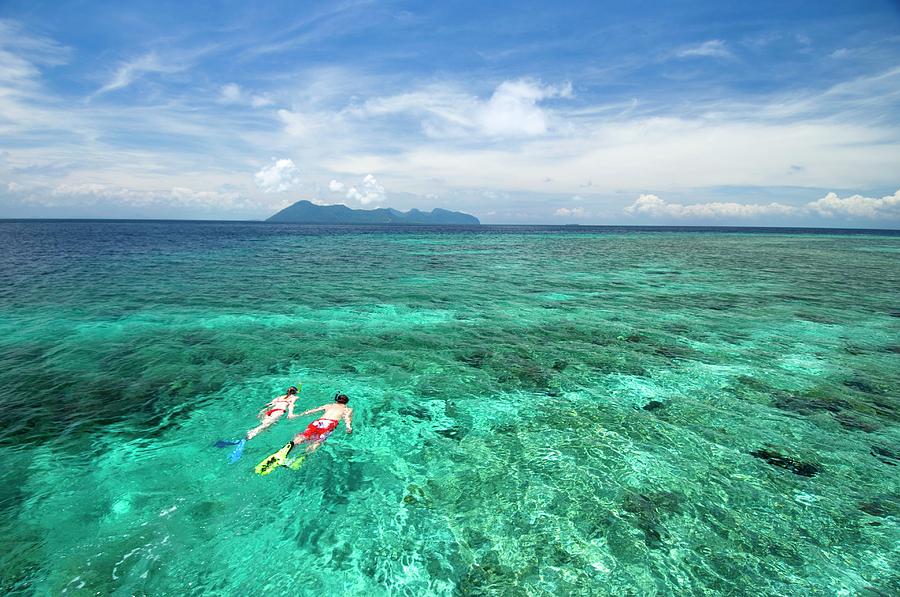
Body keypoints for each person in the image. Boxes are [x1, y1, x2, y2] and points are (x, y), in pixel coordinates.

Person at [288, 393, 353, 454]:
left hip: (318, 422)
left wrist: (299, 415)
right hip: (330, 424)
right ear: (346, 402)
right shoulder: (347, 409)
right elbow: (347, 418)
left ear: (337, 400)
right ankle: (303, 456)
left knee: (304, 436)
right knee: (318, 441)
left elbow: (312, 411)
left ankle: (290, 445)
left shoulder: (328, 405)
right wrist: (348, 427)